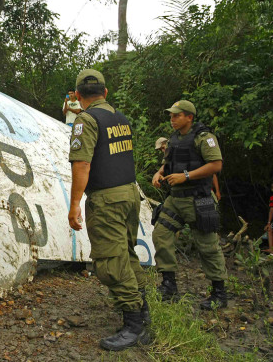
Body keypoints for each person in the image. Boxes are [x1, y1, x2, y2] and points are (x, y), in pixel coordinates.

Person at [68, 69, 150, 351]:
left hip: (107, 199)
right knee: (126, 254)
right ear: (105, 92)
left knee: (110, 262)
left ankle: (134, 326)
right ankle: (144, 313)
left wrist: (74, 204)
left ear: (78, 96)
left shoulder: (86, 120)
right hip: (129, 193)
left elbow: (82, 164)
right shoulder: (120, 118)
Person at [151, 100, 228, 310]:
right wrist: (160, 173)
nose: (172, 119)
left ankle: (219, 292)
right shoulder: (174, 139)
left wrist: (186, 176)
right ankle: (169, 285)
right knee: (161, 234)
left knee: (208, 246)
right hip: (175, 199)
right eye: (171, 116)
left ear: (189, 117)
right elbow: (168, 162)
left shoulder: (204, 137)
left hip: (198, 199)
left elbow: (216, 165)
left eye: (176, 116)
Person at [263, 183, 273, 254]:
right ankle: (271, 249)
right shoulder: (272, 197)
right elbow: (271, 210)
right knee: (269, 230)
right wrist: (268, 223)